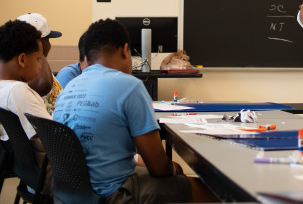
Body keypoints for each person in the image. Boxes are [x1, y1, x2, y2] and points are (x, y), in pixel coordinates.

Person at [53, 19, 217, 203]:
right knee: (216, 193)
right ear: (125, 50)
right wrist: (173, 169)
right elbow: (158, 169)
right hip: (112, 194)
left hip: (71, 194)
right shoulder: (129, 86)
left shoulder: (68, 88)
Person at [0, 19, 53, 195]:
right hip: (51, 177)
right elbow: (55, 138)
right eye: (38, 59)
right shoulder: (18, 91)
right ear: (22, 59)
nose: (39, 66)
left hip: (29, 176)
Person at [17, 13, 63, 114]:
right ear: (40, 41)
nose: (50, 45)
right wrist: (37, 50)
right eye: (48, 39)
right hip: (48, 128)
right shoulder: (30, 67)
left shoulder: (37, 64)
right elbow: (42, 84)